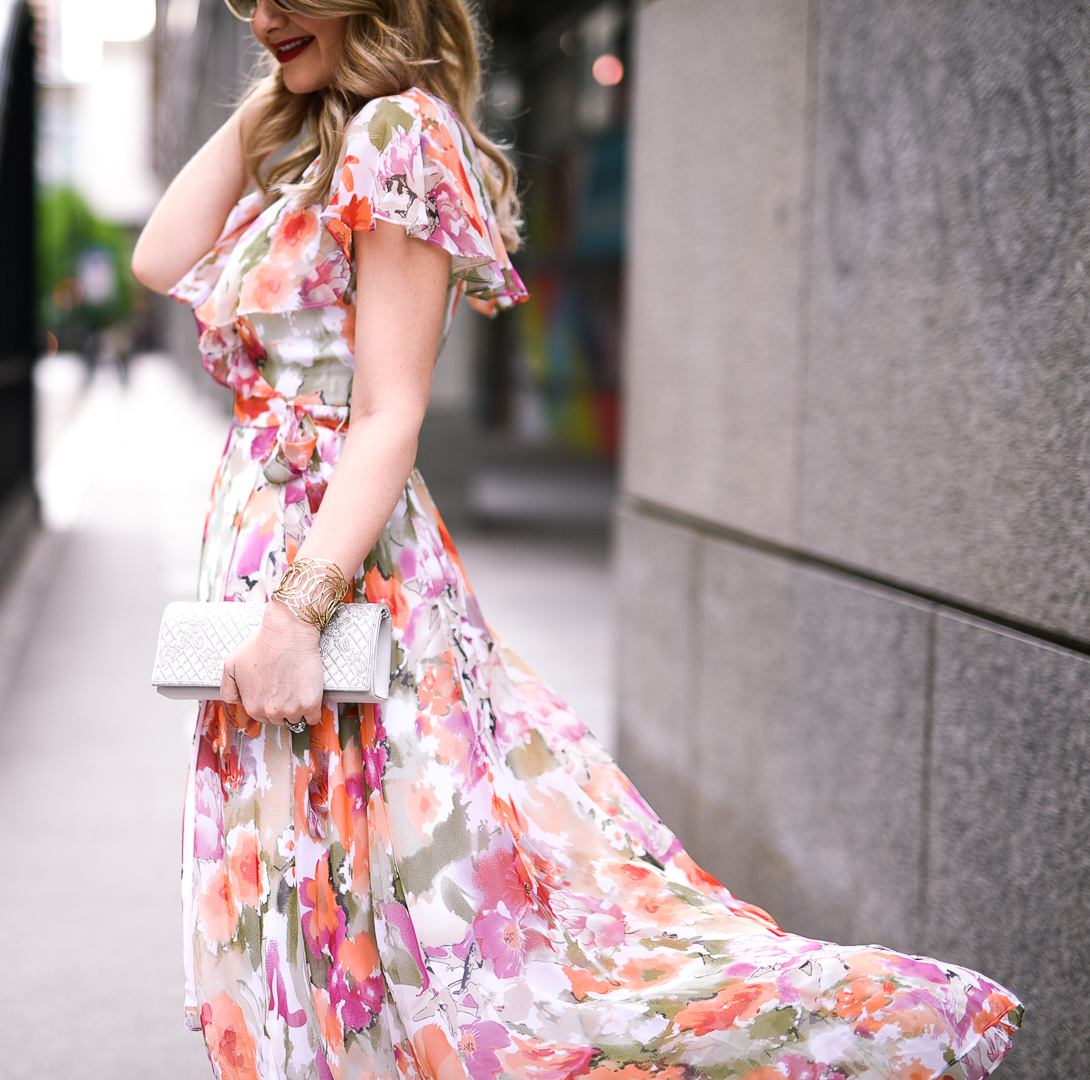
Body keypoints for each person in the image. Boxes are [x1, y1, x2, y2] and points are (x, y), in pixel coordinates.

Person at [133, 2, 1023, 1077]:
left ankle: (890, 1021)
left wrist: (294, 615)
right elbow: (157, 256)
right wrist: (278, 86)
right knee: (318, 906)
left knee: (412, 932)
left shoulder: (394, 136)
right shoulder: (313, 134)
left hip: (328, 578)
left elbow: (388, 416)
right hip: (273, 569)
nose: (263, 15)